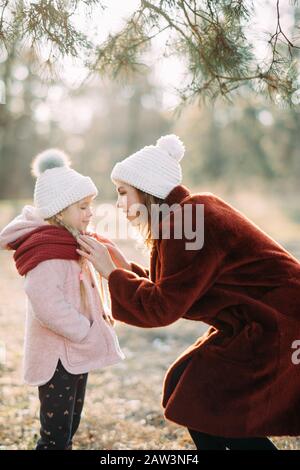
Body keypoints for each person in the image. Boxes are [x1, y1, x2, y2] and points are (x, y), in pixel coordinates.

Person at [77, 134, 300, 450]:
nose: (118, 202)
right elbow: (173, 291)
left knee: (204, 400)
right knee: (200, 397)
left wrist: (111, 273)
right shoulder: (185, 214)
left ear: (147, 191)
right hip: (263, 322)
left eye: (123, 192)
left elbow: (162, 308)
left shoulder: (188, 218)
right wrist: (122, 267)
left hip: (277, 326)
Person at [0, 149, 124, 450]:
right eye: (82, 207)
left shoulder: (72, 244)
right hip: (57, 359)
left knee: (70, 426)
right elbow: (46, 303)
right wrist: (84, 330)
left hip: (75, 353)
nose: (90, 213)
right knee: (54, 435)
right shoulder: (47, 252)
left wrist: (100, 317)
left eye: (89, 206)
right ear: (58, 212)